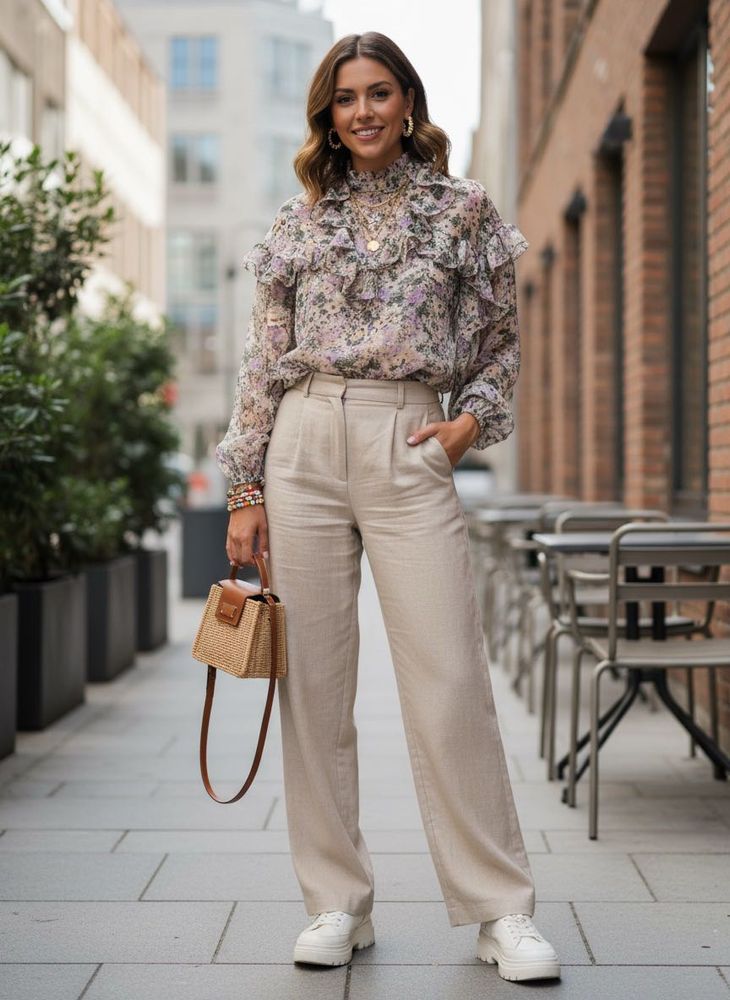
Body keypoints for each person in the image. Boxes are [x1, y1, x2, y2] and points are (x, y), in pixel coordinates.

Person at [216, 30, 560, 984]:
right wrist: (246, 488)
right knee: (313, 685)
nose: (362, 111)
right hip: (303, 441)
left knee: (449, 675)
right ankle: (336, 901)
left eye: (379, 92)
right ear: (327, 113)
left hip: (411, 440)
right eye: (344, 97)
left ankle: (501, 910)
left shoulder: (465, 212)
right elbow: (261, 364)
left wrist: (467, 425)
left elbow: (500, 346)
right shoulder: (298, 223)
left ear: (409, 100)